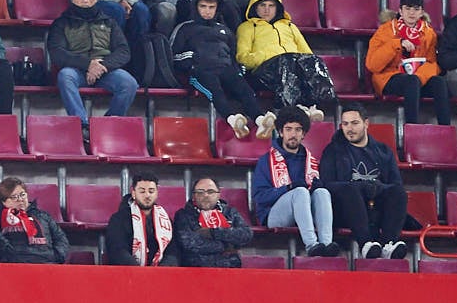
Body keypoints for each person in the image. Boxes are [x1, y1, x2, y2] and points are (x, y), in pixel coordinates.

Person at [173, 0, 266, 137]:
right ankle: (232, 119)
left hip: (225, 67)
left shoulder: (225, 30)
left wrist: (238, 70)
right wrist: (192, 62)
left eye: (211, 7)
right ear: (195, 6)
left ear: (217, 8)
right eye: (203, 6)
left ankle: (260, 119)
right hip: (201, 70)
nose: (207, 11)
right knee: (215, 90)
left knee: (244, 88)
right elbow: (175, 55)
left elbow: (234, 54)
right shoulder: (185, 28)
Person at [46, 0, 138, 134]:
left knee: (129, 84)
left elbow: (123, 51)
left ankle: (108, 125)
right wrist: (88, 64)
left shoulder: (109, 22)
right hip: (77, 69)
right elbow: (57, 52)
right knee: (65, 76)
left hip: (105, 69)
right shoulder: (61, 23)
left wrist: (102, 66)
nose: (85, 0)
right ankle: (82, 126)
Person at [320, 103, 409, 259]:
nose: (349, 128)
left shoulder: (383, 151)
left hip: (377, 209)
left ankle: (389, 244)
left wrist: (376, 187)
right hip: (346, 210)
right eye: (345, 124)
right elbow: (326, 184)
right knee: (350, 190)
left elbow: (396, 184)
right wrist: (359, 186)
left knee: (398, 193)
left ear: (366, 124)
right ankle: (366, 244)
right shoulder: (332, 150)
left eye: (354, 123)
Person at [236, 0, 333, 126]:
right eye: (262, 5)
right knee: (286, 61)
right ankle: (293, 109)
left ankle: (313, 105)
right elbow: (243, 58)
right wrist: (269, 55)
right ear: (255, 7)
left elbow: (307, 53)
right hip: (263, 72)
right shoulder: (247, 27)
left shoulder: (289, 26)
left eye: (271, 5)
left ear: (278, 8)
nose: (267, 9)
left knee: (314, 61)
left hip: (290, 66)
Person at [252, 106, 340, 257]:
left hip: (304, 212)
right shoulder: (266, 161)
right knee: (299, 192)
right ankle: (312, 245)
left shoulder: (310, 160)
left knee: (322, 192)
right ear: (280, 132)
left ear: (304, 134)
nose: (293, 134)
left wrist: (316, 187)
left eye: (298, 130)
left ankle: (326, 244)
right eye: (288, 129)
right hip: (274, 215)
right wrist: (288, 188)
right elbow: (259, 197)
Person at [366, 0, 451, 125]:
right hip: (388, 78)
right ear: (400, 10)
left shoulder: (429, 33)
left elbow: (433, 63)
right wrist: (396, 44)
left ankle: (446, 129)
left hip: (416, 79)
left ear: (422, 12)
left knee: (439, 82)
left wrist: (419, 77)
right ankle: (412, 127)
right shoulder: (385, 30)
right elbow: (372, 65)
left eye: (416, 9)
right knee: (411, 82)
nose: (411, 13)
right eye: (407, 8)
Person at [0, 177, 68, 264]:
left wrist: (56, 257)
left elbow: (60, 238)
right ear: (4, 201)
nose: (20, 199)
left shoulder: (42, 215)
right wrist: (14, 257)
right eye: (14, 197)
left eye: (22, 194)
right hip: (13, 264)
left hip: (47, 262)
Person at [173, 177, 253, 268]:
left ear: (218, 194)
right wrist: (227, 246)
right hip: (196, 270)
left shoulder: (230, 212)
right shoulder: (183, 215)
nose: (206, 195)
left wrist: (214, 232)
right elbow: (190, 244)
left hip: (230, 269)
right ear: (193, 196)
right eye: (200, 192)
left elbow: (246, 234)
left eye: (210, 192)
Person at [104, 174, 175, 266]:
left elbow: (173, 251)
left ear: (157, 193)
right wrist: (140, 273)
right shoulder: (119, 219)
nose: (147, 195)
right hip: (129, 274)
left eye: (151, 191)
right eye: (142, 191)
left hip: (160, 274)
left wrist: (162, 271)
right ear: (133, 193)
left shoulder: (165, 219)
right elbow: (117, 250)